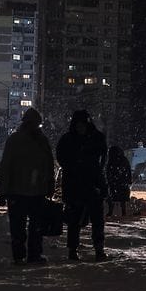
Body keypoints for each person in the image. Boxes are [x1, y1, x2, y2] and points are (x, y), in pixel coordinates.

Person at [0, 108, 55, 265]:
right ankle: (33, 254)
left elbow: (5, 166)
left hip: (17, 192)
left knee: (18, 226)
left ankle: (19, 256)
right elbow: (48, 165)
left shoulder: (14, 140)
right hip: (35, 192)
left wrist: (3, 190)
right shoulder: (41, 141)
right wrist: (49, 184)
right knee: (35, 226)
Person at [56, 109, 109, 262]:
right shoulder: (75, 139)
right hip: (79, 184)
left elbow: (102, 158)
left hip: (88, 184)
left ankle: (98, 249)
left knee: (94, 220)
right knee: (75, 220)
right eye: (78, 125)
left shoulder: (75, 139)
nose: (80, 128)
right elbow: (62, 159)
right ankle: (74, 250)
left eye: (82, 124)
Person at [105, 145, 132, 217]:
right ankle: (123, 211)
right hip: (122, 181)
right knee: (122, 198)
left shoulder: (111, 160)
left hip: (115, 181)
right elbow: (128, 169)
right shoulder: (123, 159)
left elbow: (108, 171)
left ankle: (111, 211)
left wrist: (108, 179)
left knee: (112, 196)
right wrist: (129, 179)